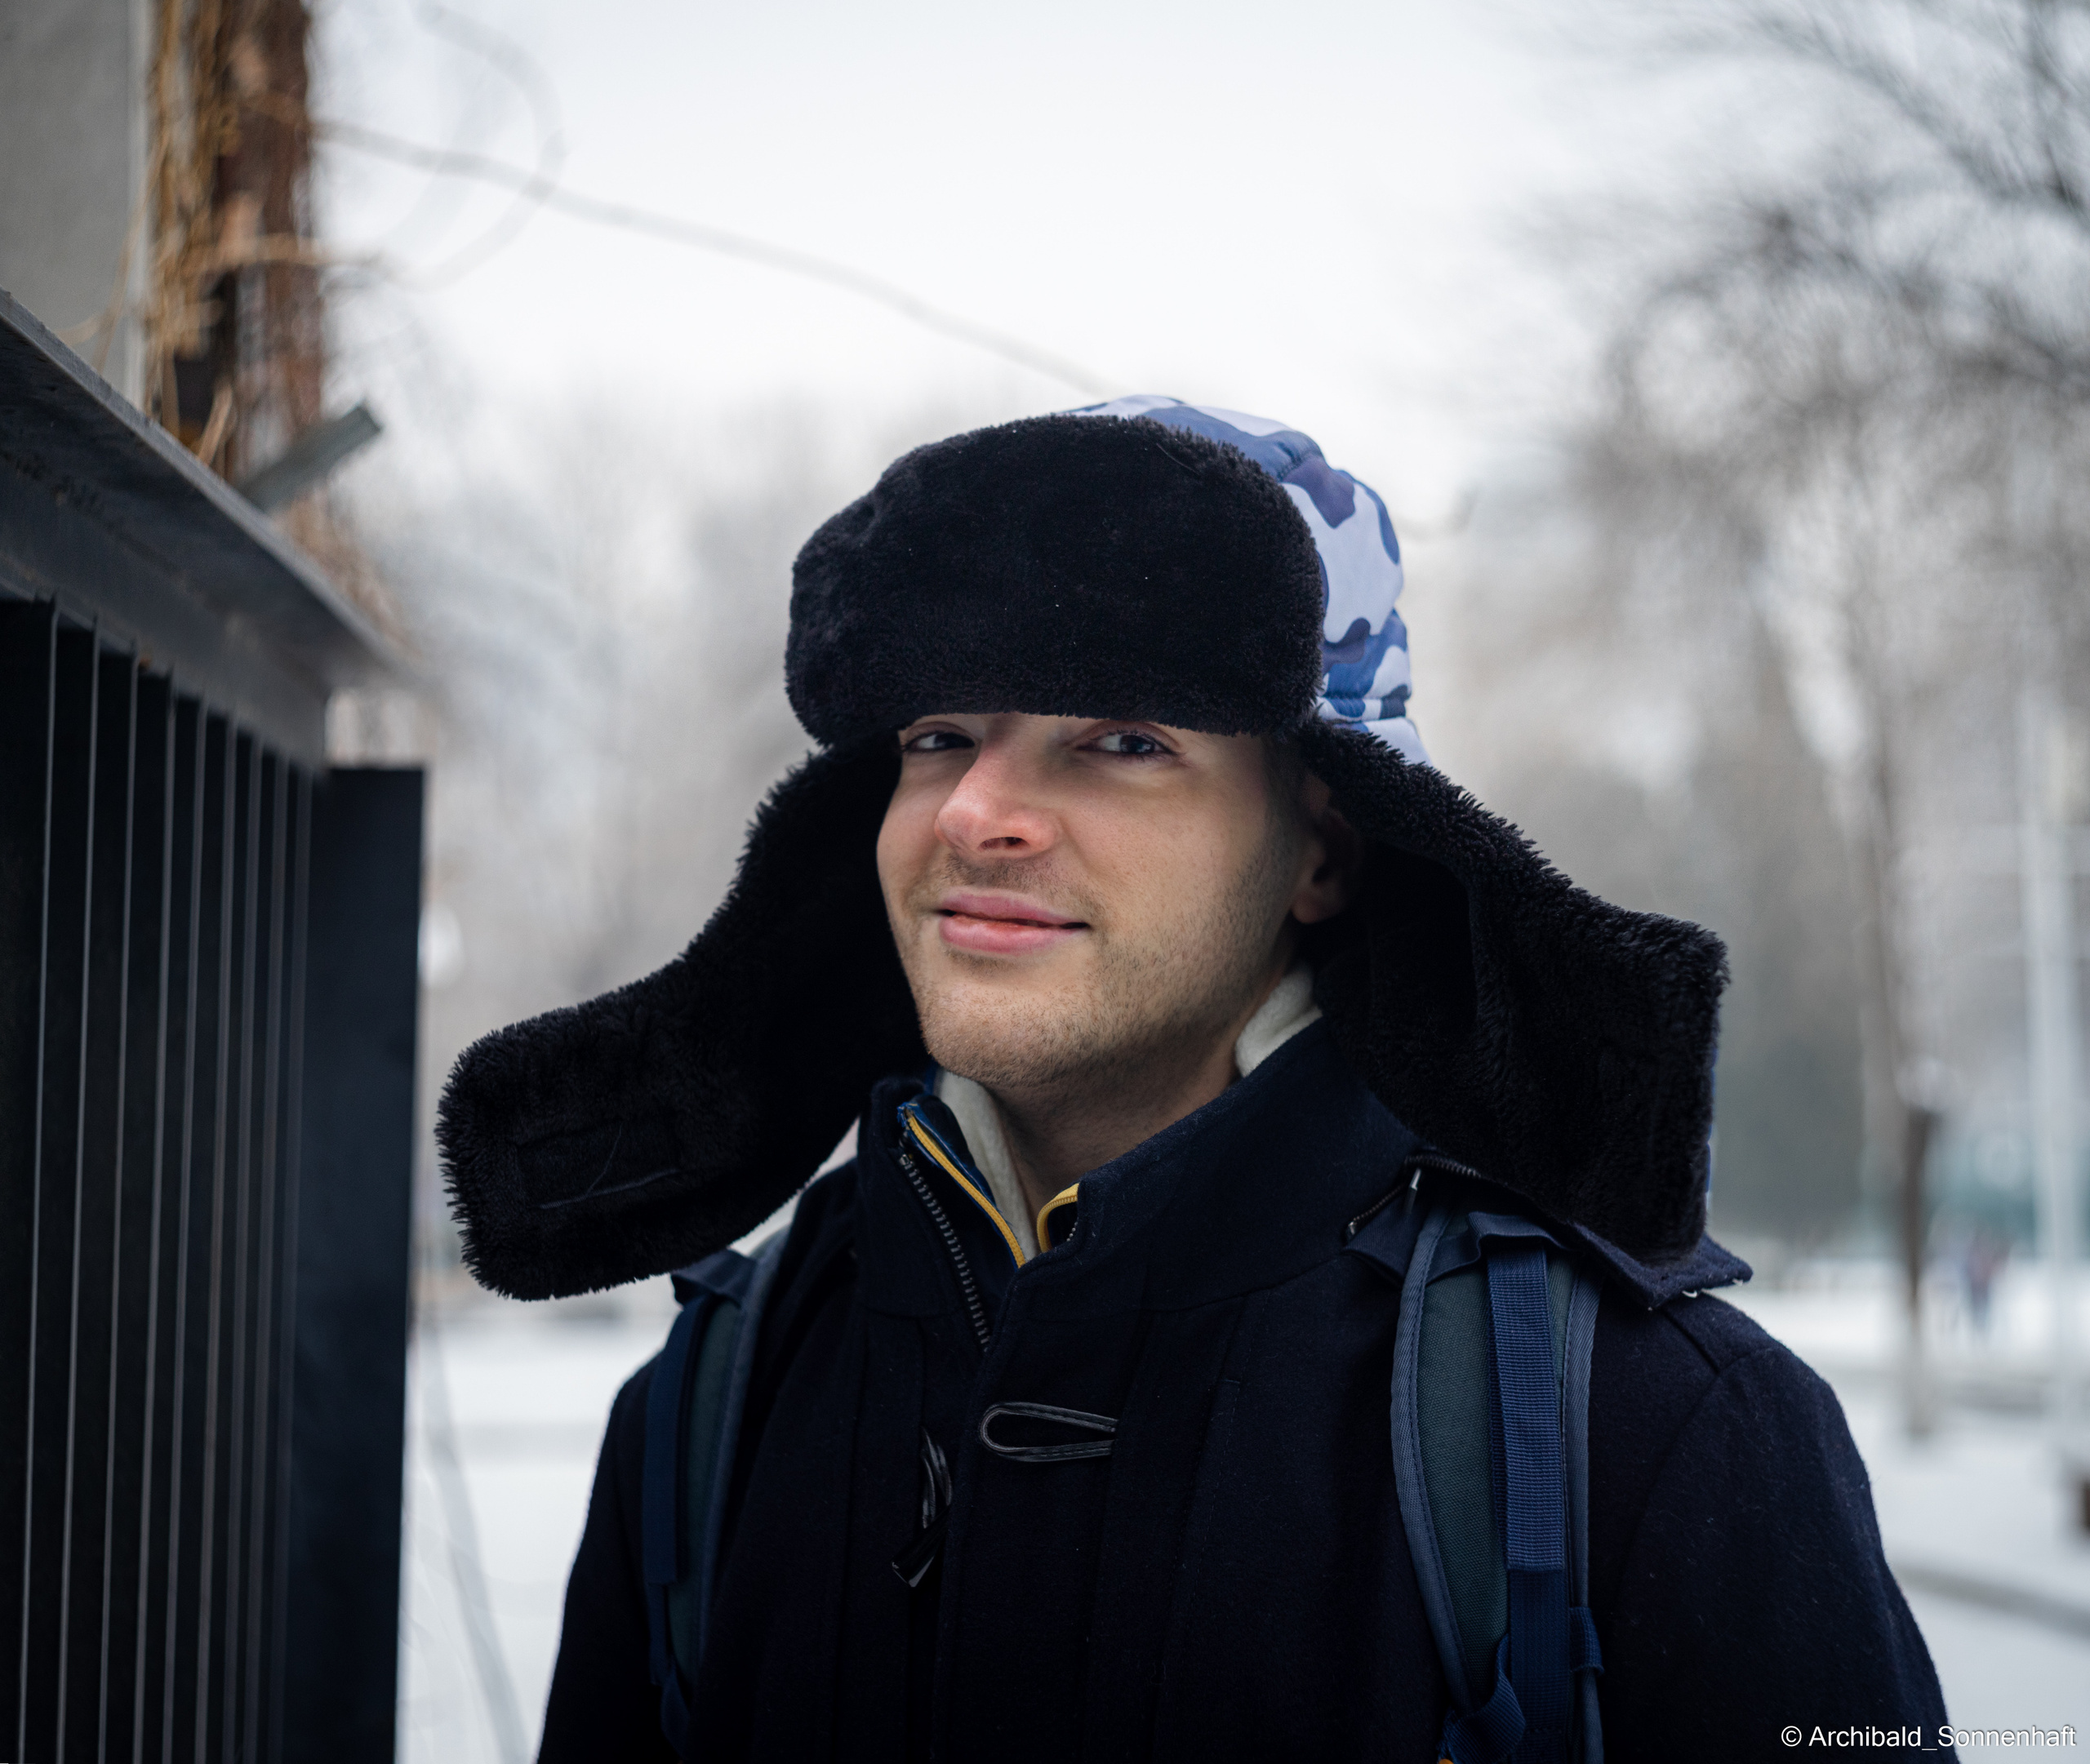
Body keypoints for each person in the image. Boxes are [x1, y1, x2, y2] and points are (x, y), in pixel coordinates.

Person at [440, 399, 1949, 1762]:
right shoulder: (711, 1410)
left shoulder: (1650, 1430)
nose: (980, 807)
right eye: (941, 732)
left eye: (1117, 738)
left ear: (1323, 845)